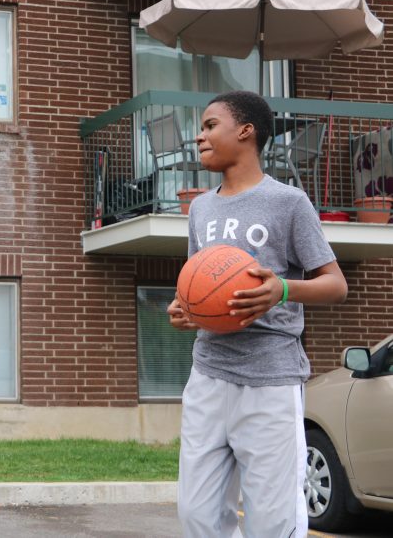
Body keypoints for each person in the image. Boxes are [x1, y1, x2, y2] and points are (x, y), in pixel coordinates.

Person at [167, 91, 348, 538]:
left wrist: (282, 289)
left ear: (246, 131)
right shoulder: (201, 208)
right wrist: (186, 309)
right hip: (208, 374)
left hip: (270, 378)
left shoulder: (288, 202)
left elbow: (335, 284)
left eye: (210, 125)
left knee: (273, 521)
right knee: (197, 516)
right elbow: (197, 283)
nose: (199, 135)